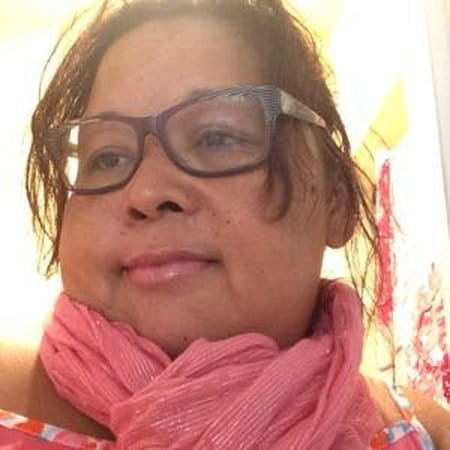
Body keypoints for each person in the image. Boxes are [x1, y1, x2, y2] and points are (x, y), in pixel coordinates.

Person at [1, 0, 449, 448]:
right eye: (107, 157)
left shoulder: (425, 432)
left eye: (217, 137)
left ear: (337, 201)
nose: (147, 192)